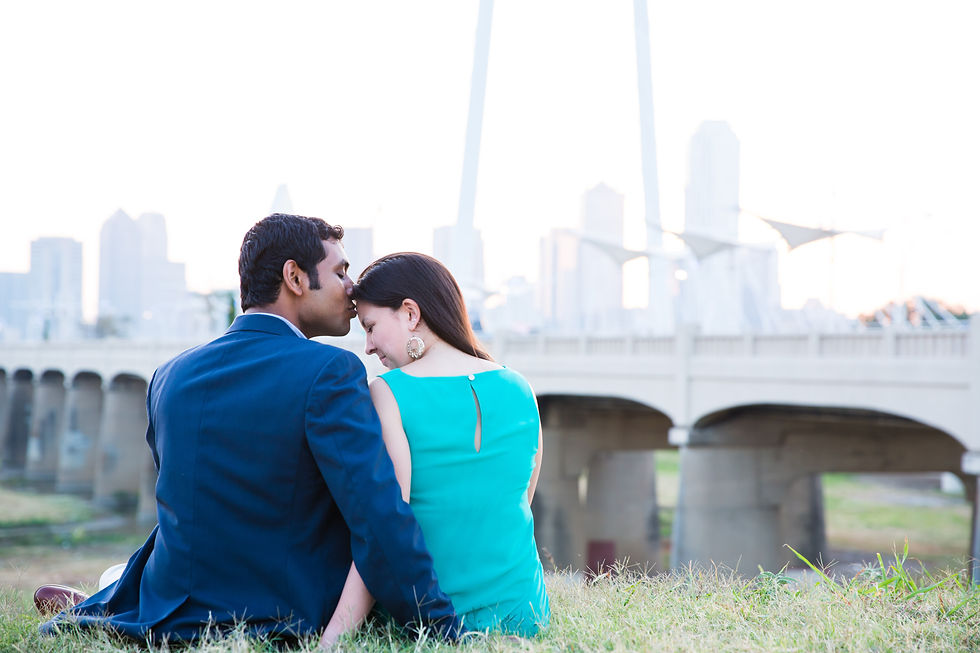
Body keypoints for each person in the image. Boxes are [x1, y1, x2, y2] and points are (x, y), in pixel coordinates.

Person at [38, 214, 461, 645]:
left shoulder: (170, 375)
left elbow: (188, 503)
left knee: (123, 572)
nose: (351, 287)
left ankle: (105, 596)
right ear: (295, 277)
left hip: (170, 609)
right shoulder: (329, 371)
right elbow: (377, 515)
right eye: (340, 272)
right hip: (277, 615)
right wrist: (444, 629)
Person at [321, 252, 550, 640]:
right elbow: (516, 504)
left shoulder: (389, 392)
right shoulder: (519, 386)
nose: (369, 347)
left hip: (442, 624)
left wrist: (332, 640)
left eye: (371, 327)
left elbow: (386, 526)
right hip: (528, 615)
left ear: (410, 313)